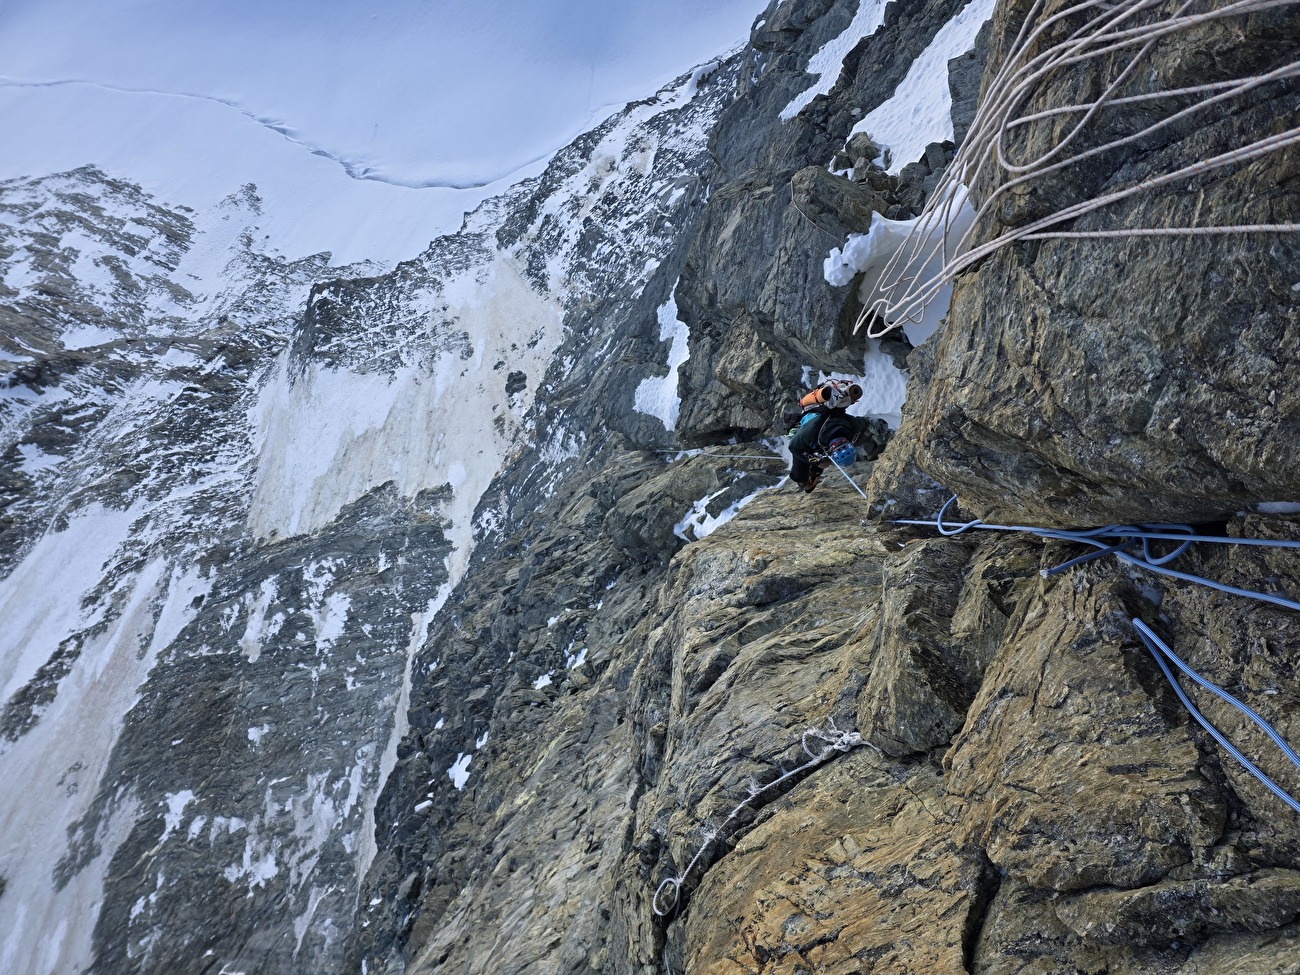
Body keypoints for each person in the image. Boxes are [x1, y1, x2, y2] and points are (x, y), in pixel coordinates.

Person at [787, 382, 891, 492]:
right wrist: (816, 461)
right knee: (799, 476)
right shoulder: (810, 432)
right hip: (810, 423)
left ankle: (814, 473)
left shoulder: (850, 425)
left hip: (825, 432)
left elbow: (866, 423)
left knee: (824, 458)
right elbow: (793, 447)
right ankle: (806, 478)